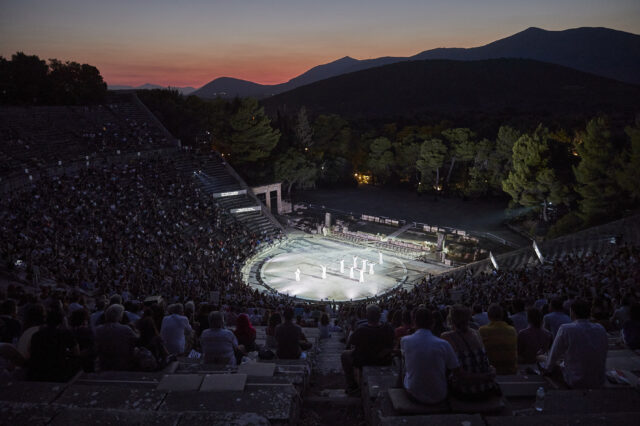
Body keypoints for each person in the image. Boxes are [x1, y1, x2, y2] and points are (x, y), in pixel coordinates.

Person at [544, 299, 608, 388]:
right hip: (599, 380)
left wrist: (547, 369)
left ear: (572, 312)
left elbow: (553, 355)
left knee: (548, 363)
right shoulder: (600, 328)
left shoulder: (566, 329)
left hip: (575, 380)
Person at [401, 307, 460, 404]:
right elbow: (456, 370)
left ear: (414, 321)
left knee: (403, 364)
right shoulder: (443, 344)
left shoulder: (405, 340)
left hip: (414, 394)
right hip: (440, 395)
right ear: (433, 323)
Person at [441, 305, 498, 400]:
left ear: (451, 319)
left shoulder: (447, 336)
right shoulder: (477, 332)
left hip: (466, 392)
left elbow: (459, 374)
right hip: (487, 388)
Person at [341, 304, 394, 394]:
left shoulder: (361, 329)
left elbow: (350, 342)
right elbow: (391, 345)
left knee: (344, 355)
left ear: (367, 316)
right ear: (379, 315)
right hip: (382, 360)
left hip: (364, 360)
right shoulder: (388, 328)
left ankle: (351, 385)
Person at [28, 307, 79, 382]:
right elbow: (76, 352)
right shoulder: (65, 334)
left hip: (38, 371)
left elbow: (31, 351)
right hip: (58, 371)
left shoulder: (36, 335)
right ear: (61, 321)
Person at [94, 304, 139, 371]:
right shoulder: (126, 329)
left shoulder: (98, 329)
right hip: (123, 364)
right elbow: (137, 340)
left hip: (104, 364)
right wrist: (135, 329)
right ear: (119, 316)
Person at [479, 303, 517, 374]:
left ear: (488, 316)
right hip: (510, 369)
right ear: (502, 315)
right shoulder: (512, 330)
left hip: (491, 370)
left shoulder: (482, 331)